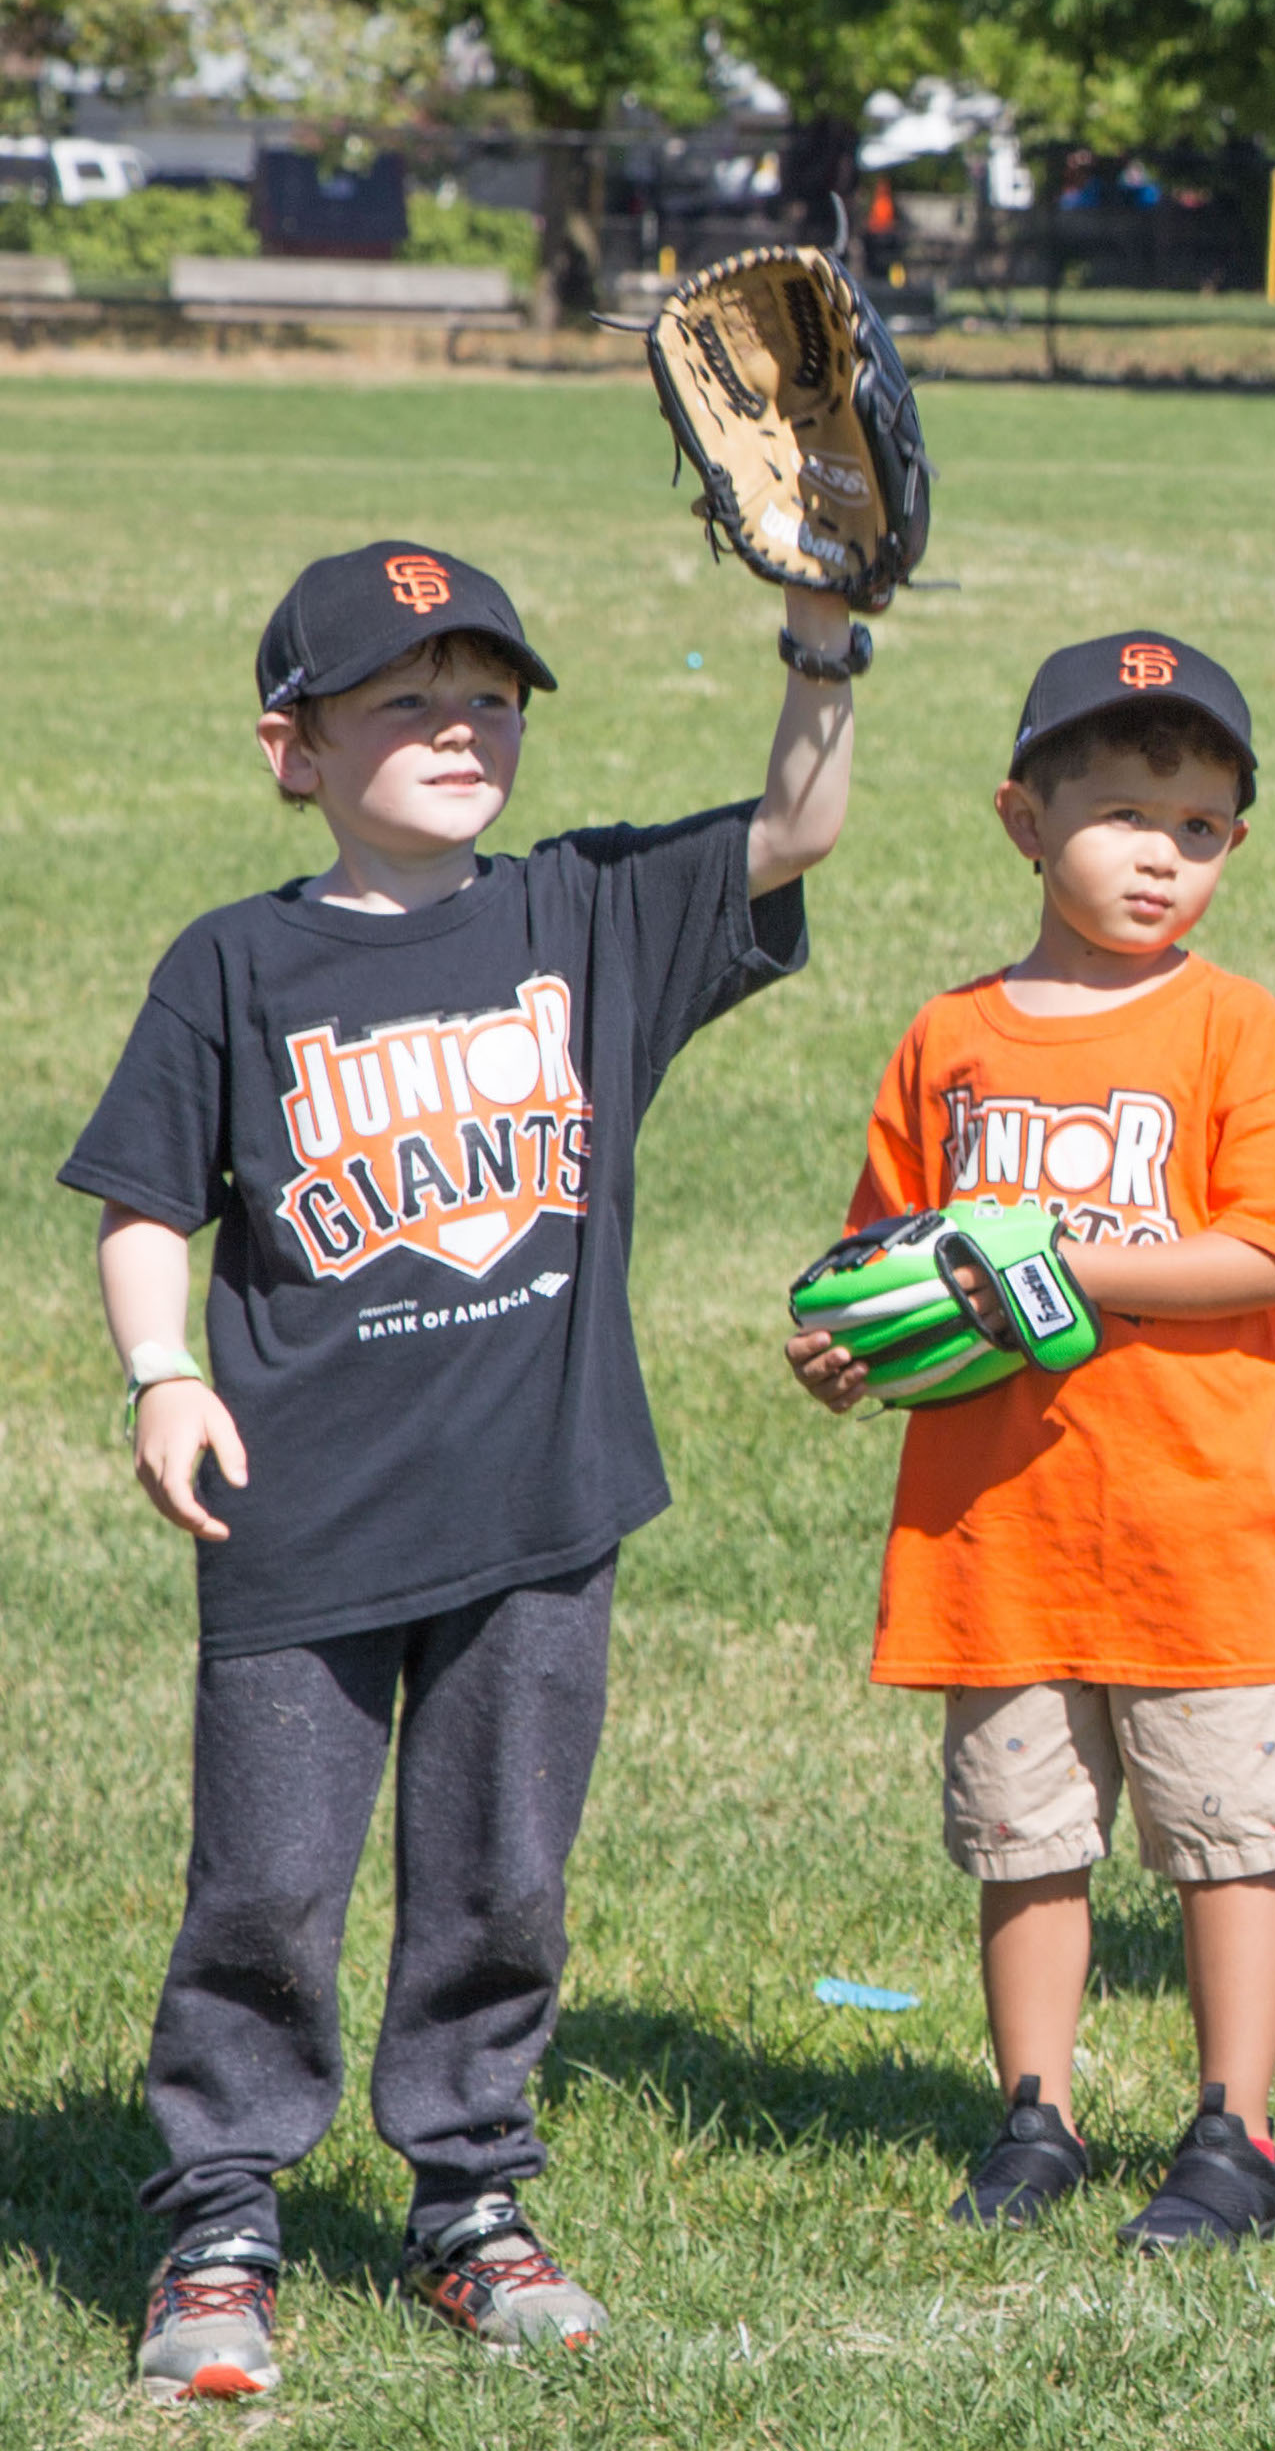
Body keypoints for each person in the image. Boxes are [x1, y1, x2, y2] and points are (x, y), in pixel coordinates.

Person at [62, 543, 864, 2400]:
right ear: (296, 746)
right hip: (305, 1518)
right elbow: (139, 1199)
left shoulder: (584, 914)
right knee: (265, 1885)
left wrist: (827, 640)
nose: (457, 727)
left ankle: (469, 2193)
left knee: (501, 1877)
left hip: (536, 1509)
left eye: (489, 697)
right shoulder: (234, 965)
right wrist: (164, 1372)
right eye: (403, 698)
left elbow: (799, 828)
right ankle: (223, 2212)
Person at [786, 631, 1275, 2249]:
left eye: (1200, 828)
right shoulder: (951, 1038)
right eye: (1119, 814)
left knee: (1224, 1841)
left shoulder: (1237, 1030)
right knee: (1026, 1841)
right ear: (1025, 822)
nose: (1160, 857)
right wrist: (853, 1353)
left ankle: (1233, 2133)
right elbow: (887, 1262)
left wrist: (1071, 1267)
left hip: (1198, 1517)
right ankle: (1037, 2113)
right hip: (1000, 1529)